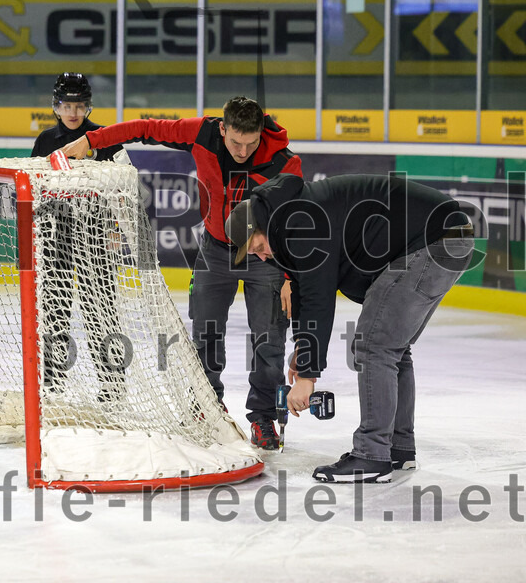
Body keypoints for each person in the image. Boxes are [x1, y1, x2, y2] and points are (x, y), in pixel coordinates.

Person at [62, 97, 303, 450]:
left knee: (269, 342)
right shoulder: (202, 133)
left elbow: (297, 225)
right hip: (216, 251)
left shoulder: (284, 162)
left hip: (265, 259)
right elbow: (144, 127)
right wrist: (91, 140)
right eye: (236, 142)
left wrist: (289, 278)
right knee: (205, 333)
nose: (243, 151)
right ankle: (207, 406)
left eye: (251, 144)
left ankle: (263, 417)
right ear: (223, 129)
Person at [225, 174, 474, 483]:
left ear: (262, 226)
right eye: (255, 254)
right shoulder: (288, 219)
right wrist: (304, 349)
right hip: (445, 235)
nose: (262, 256)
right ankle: (397, 448)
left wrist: (306, 376)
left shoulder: (299, 223)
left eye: (259, 247)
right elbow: (305, 289)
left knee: (375, 345)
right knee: (391, 346)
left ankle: (372, 455)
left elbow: (319, 297)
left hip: (430, 240)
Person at [31, 73, 129, 398]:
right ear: (55, 106)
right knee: (55, 308)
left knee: (100, 309)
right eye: (66, 105)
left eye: (79, 105)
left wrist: (115, 228)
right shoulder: (45, 141)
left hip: (96, 236)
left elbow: (124, 188)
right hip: (56, 236)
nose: (73, 112)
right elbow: (34, 187)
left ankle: (112, 382)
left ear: (88, 106)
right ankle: (53, 380)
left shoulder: (105, 138)